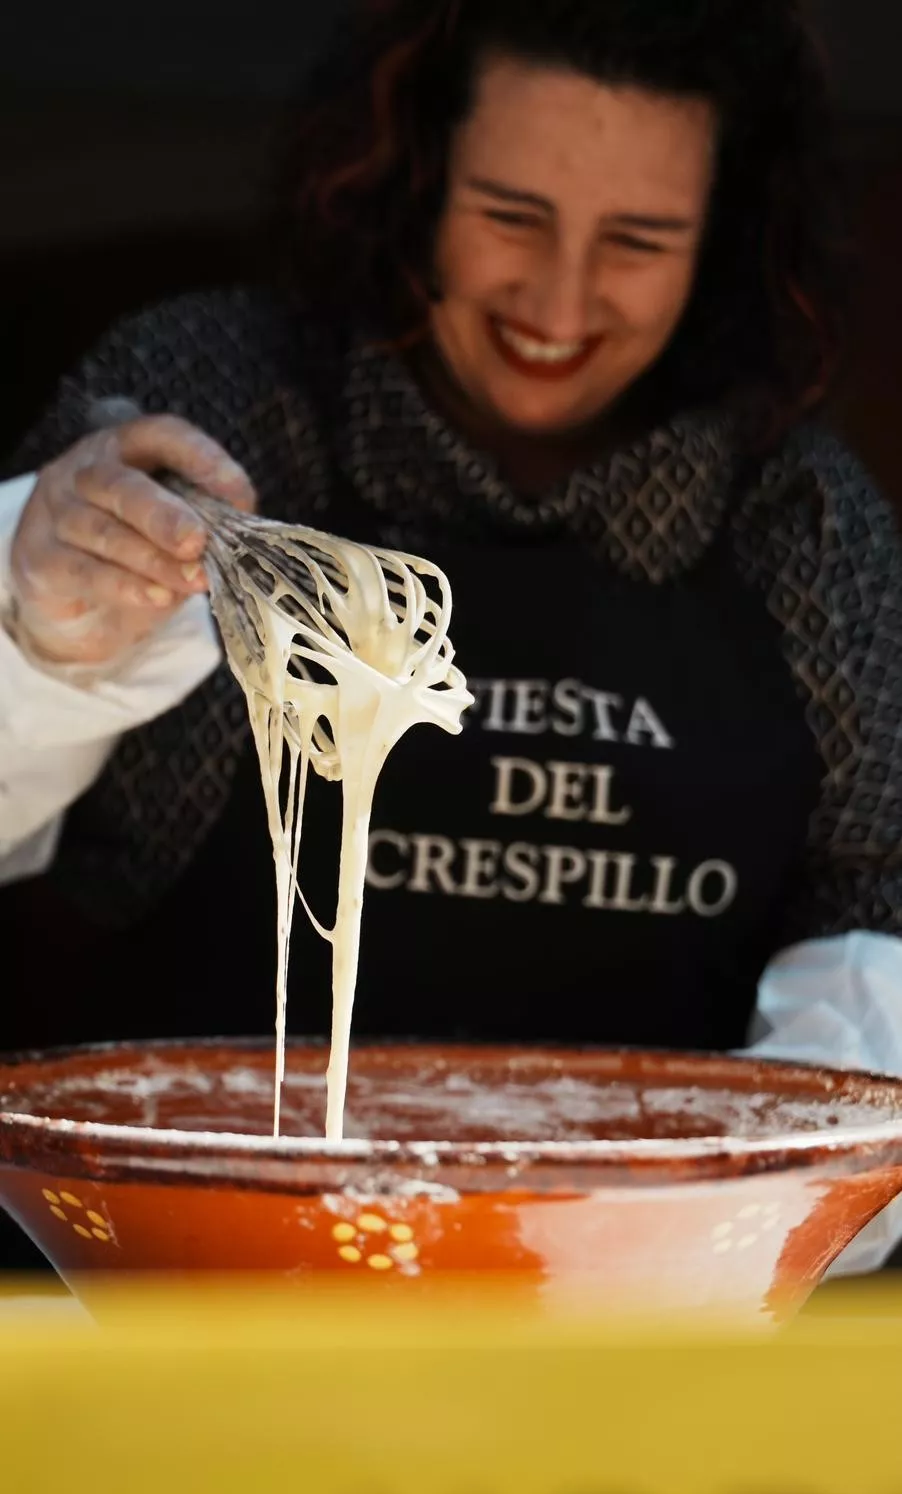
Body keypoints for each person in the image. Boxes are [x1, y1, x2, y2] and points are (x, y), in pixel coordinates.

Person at [1, 0, 901, 1274]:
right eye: (509, 216)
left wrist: (729, 1231)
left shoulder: (801, 522)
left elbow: (876, 922)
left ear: (722, 238)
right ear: (414, 175)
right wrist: (35, 621)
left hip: (633, 1316)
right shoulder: (216, 405)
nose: (560, 298)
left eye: (638, 240)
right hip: (186, 1288)